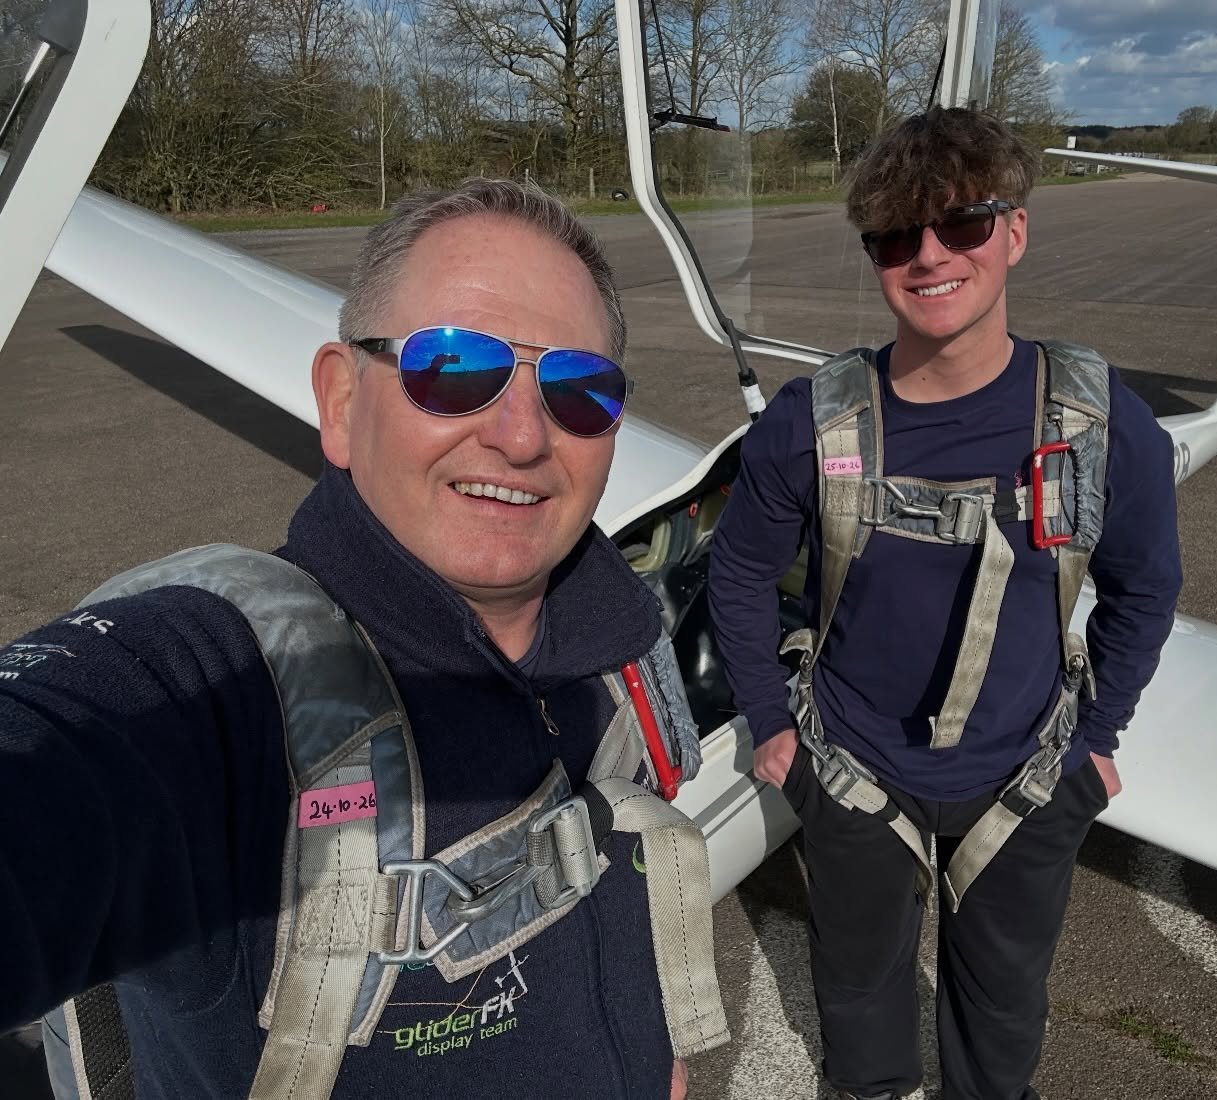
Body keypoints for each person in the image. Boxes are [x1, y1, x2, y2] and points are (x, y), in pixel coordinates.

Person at [0, 178, 727, 1099]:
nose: (521, 435)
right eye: (454, 369)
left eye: (578, 390)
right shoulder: (208, 683)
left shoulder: (622, 641)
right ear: (340, 402)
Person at [708, 108, 1182, 1100]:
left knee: (1003, 1012)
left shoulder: (1095, 417)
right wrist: (768, 721)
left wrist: (1096, 737)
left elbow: (1147, 584)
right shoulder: (814, 420)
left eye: (962, 223)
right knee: (859, 994)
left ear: (1014, 231)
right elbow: (741, 572)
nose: (928, 257)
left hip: (1025, 768)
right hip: (850, 768)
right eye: (895, 236)